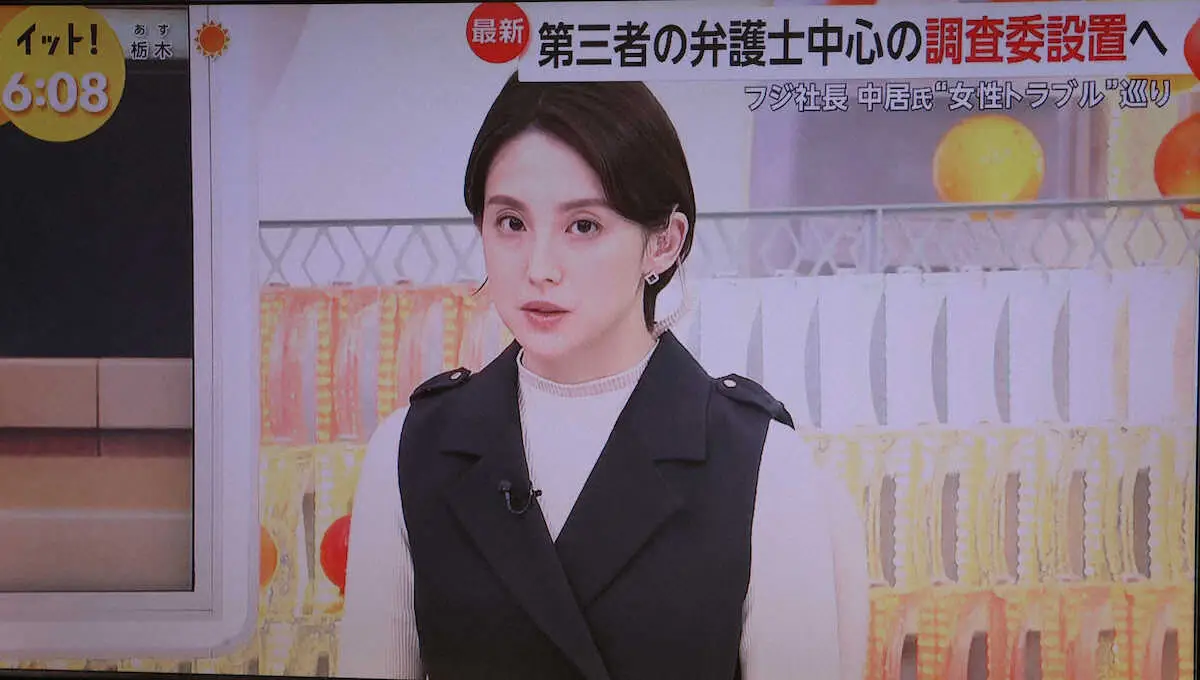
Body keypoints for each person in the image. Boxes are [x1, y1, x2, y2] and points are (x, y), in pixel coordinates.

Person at [338, 72, 869, 680]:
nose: (539, 268)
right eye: (511, 222)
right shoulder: (410, 451)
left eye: (583, 226)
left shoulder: (761, 462)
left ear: (663, 243)